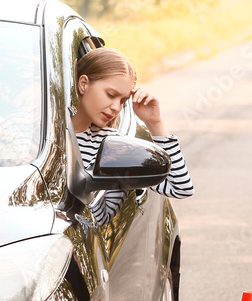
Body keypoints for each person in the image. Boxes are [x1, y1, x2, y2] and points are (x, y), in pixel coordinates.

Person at [70, 48, 193, 216]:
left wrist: (154, 122)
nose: (116, 107)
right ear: (83, 84)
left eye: (123, 101)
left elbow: (181, 188)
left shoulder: (114, 148)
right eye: (110, 94)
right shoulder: (36, 135)